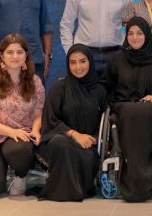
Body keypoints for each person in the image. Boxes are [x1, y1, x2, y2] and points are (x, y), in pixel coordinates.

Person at [103, 17, 152, 202]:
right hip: (124, 108)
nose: (134, 37)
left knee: (143, 110)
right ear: (126, 36)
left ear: (147, 35)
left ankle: (146, 176)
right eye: (130, 33)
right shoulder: (118, 59)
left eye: (139, 33)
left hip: (151, 109)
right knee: (131, 111)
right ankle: (131, 176)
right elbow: (106, 86)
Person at [0, 34, 45, 199]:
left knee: (19, 149)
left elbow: (38, 114)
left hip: (19, 139)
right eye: (10, 52)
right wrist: (11, 132)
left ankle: (20, 176)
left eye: (19, 52)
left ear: (26, 55)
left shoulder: (35, 82)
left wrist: (35, 131)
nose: (15, 56)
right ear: (2, 55)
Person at [39, 44, 106, 201]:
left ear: (90, 62)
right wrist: (74, 135)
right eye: (73, 62)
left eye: (83, 61)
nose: (78, 67)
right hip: (59, 140)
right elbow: (50, 119)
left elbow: (103, 123)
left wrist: (94, 139)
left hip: (87, 145)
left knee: (86, 156)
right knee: (61, 142)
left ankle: (70, 189)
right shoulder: (60, 87)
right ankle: (67, 191)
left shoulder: (100, 91)